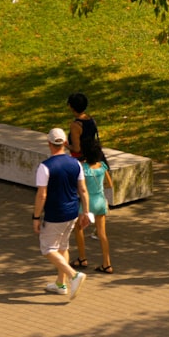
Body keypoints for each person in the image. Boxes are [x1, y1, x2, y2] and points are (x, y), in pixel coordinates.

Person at [32, 127, 91, 300]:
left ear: (49, 143)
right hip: (72, 212)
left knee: (48, 249)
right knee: (62, 246)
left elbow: (42, 194)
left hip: (55, 214)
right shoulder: (76, 164)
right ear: (65, 143)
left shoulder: (45, 167)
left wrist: (36, 217)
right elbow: (83, 190)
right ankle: (60, 283)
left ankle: (74, 275)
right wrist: (85, 212)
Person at [66, 92, 106, 265]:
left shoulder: (75, 125)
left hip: (81, 163)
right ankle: (105, 258)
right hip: (95, 160)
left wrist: (63, 144)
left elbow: (76, 147)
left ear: (72, 107)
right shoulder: (92, 120)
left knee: (79, 213)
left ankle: (82, 257)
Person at [81, 141, 114, 273]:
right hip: (100, 200)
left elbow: (81, 187)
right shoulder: (103, 166)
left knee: (79, 228)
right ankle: (107, 263)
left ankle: (82, 258)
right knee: (101, 233)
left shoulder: (83, 168)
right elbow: (110, 184)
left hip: (88, 202)